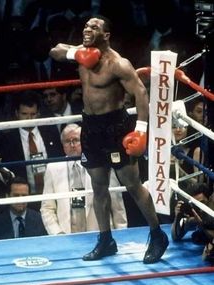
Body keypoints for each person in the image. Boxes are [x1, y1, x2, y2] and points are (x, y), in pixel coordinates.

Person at [49, 15, 168, 264]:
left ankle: (157, 235)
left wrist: (141, 130)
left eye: (95, 27)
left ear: (106, 35)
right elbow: (55, 50)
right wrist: (75, 55)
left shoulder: (118, 64)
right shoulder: (82, 53)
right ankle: (106, 240)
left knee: (132, 184)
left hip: (115, 126)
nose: (88, 29)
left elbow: (141, 93)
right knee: (98, 186)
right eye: (86, 26)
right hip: (90, 126)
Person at [41, 123, 127, 234]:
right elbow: (47, 208)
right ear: (63, 145)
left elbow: (117, 205)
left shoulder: (102, 166)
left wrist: (122, 234)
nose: (72, 145)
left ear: (84, 141)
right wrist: (57, 234)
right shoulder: (52, 169)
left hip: (99, 234)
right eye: (68, 141)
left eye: (76, 140)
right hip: (67, 237)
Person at [0, 90, 64, 210]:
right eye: (24, 114)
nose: (29, 118)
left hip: (53, 194)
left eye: (33, 114)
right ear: (17, 113)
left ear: (38, 114)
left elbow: (60, 160)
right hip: (24, 199)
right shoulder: (7, 139)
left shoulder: (50, 132)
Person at [0, 176, 47, 240]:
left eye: (24, 195)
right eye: (16, 195)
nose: (20, 199)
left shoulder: (41, 220)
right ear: (7, 196)